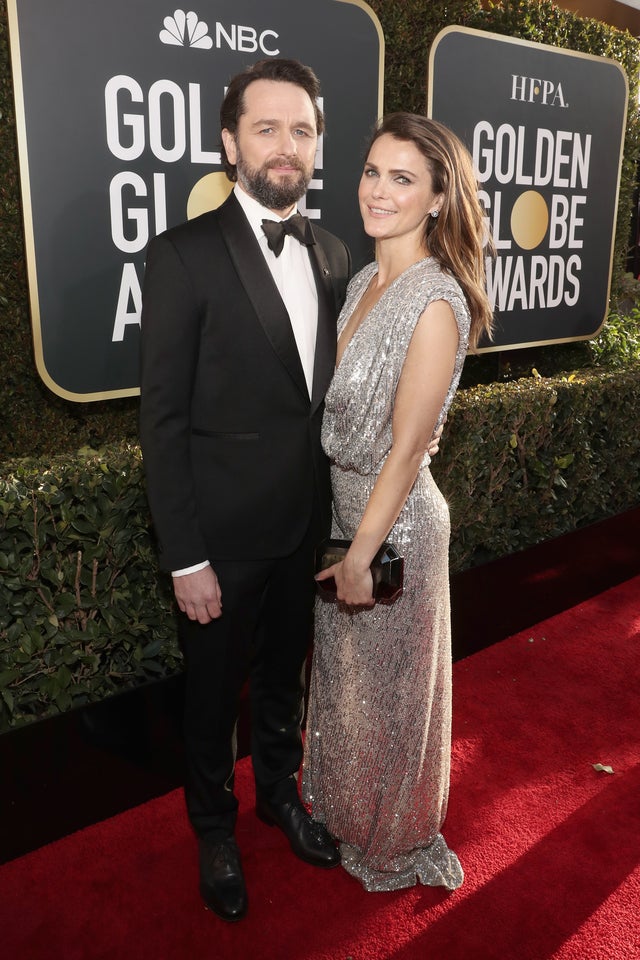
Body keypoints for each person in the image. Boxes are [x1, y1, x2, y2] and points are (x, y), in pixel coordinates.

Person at [139, 58, 352, 922]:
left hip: (303, 526)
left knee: (282, 682)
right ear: (229, 142)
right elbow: (162, 421)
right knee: (209, 694)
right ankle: (214, 827)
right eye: (266, 127)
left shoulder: (336, 252)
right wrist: (184, 554)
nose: (286, 145)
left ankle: (279, 794)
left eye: (301, 129)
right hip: (218, 540)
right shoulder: (182, 254)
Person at [302, 113, 493, 893]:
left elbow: (409, 450)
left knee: (389, 696)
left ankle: (394, 832)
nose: (379, 191)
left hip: (395, 526)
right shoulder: (360, 283)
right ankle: (344, 810)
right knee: (349, 688)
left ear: (440, 197)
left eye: (403, 178)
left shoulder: (436, 300)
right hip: (345, 516)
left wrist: (357, 554)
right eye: (372, 172)